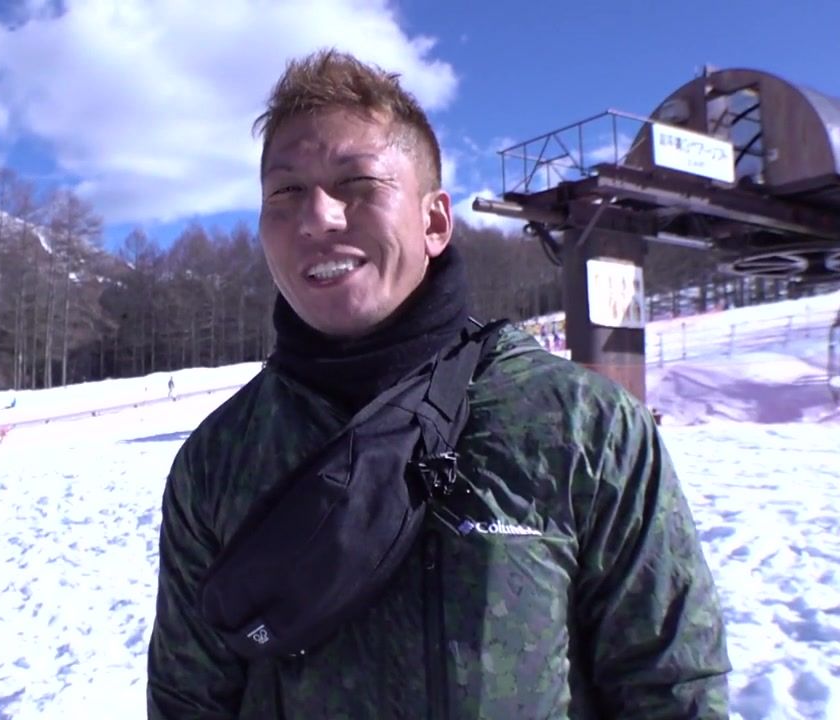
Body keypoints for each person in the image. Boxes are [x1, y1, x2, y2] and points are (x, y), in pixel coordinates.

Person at [147, 50, 729, 718]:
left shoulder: (585, 427)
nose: (316, 217)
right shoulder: (218, 460)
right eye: (286, 192)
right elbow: (188, 701)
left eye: (356, 182)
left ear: (434, 223)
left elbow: (671, 689)